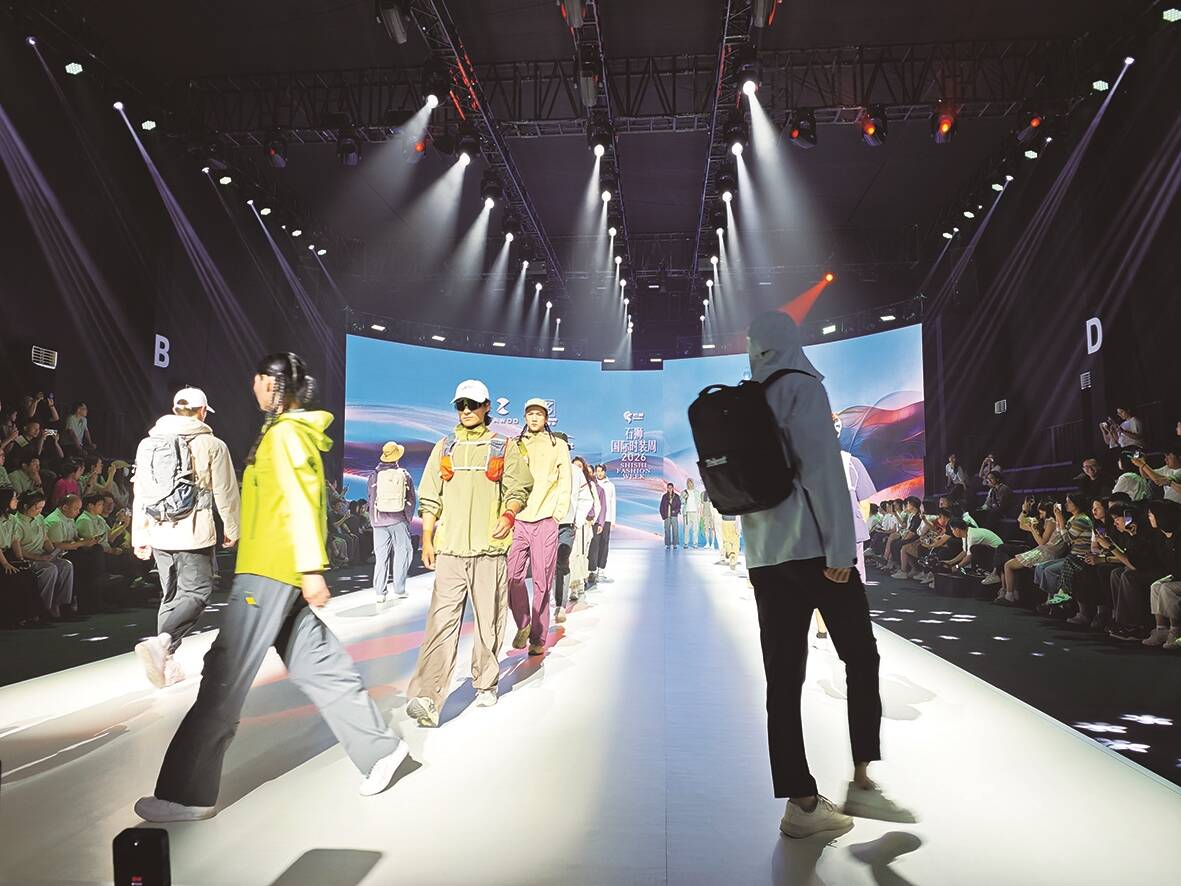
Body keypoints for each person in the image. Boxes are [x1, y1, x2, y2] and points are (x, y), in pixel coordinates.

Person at [135, 353, 410, 823]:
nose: (254, 386)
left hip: (267, 572)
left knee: (223, 678)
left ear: (273, 383)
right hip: (276, 569)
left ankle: (187, 793)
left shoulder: (285, 435)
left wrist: (311, 567)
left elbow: (302, 500)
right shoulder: (289, 432)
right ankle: (380, 748)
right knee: (320, 664)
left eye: (259, 379)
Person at [742, 311, 910, 840]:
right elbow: (823, 472)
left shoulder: (748, 397)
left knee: (782, 681)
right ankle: (861, 778)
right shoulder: (801, 386)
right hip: (817, 553)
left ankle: (801, 804)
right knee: (860, 657)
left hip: (767, 559)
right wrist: (841, 548)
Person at [404, 379, 531, 727]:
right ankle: (428, 697)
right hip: (450, 549)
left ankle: (486, 681)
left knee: (489, 621)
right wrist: (427, 538)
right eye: (461, 405)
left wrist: (509, 515)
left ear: (487, 407)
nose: (466, 410)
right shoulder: (444, 447)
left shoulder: (503, 447)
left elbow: (519, 488)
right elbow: (430, 496)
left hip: (489, 549)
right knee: (440, 623)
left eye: (473, 404)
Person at [131, 387, 241, 689]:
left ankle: (165, 663)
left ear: (174, 409)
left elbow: (140, 492)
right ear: (202, 411)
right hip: (194, 531)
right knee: (197, 592)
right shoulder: (213, 445)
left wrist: (140, 534)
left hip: (159, 530)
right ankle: (163, 642)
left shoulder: (149, 443)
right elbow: (226, 492)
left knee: (170, 596)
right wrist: (232, 528)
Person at [507, 399, 571, 655]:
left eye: (539, 414)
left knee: (542, 581)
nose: (534, 418)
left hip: (545, 519)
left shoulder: (558, 445)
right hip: (520, 519)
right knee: (513, 576)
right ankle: (523, 623)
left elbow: (565, 481)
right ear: (525, 417)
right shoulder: (515, 444)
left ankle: (538, 638)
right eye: (530, 414)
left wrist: (557, 514)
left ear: (546, 418)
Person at [11, 490, 75, 619]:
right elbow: (18, 549)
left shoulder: (39, 518)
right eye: (37, 508)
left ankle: (60, 604)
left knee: (66, 565)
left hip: (42, 555)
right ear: (25, 506)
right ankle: (43, 608)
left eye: (42, 508)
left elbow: (45, 539)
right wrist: (39, 558)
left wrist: (54, 553)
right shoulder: (16, 522)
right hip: (29, 558)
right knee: (49, 569)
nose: (39, 511)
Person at [367, 441, 417, 603]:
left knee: (381, 557)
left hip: (378, 521)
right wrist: (407, 518)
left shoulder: (373, 475)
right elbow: (411, 499)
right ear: (397, 457)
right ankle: (399, 589)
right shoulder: (404, 474)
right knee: (403, 552)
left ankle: (380, 593)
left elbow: (370, 497)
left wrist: (373, 519)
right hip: (398, 519)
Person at [0, 488, 44, 627]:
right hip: (1, 557)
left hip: (8, 553)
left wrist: (20, 559)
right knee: (15, 578)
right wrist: (5, 564)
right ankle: (16, 618)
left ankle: (34, 616)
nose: (16, 501)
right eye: (14, 498)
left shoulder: (12, 519)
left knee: (29, 575)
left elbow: (15, 541)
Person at [1142, 501, 1181, 649]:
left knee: (1167, 588)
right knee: (1156, 586)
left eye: (1151, 515)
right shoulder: (1160, 536)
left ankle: (1176, 631)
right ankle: (1161, 629)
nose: (1149, 518)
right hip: (1176, 575)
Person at [568, 456, 601, 600]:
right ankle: (573, 587)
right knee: (572, 555)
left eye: (580, 466)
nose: (577, 469)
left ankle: (581, 581)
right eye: (574, 466)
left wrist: (592, 520)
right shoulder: (567, 482)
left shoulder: (590, 484)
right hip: (569, 525)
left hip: (584, 526)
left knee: (583, 554)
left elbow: (596, 504)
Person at [593, 464, 617, 581]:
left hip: (606, 519)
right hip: (595, 519)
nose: (599, 473)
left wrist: (613, 520)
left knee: (604, 543)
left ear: (605, 472)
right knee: (594, 543)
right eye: (597, 471)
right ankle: (592, 569)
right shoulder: (593, 484)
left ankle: (601, 569)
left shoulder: (610, 486)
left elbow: (613, 503)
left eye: (601, 471)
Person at [660, 482, 681, 549]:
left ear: (673, 488)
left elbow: (679, 506)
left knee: (675, 530)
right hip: (667, 516)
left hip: (674, 516)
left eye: (671, 488)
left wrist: (675, 511)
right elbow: (661, 507)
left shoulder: (676, 496)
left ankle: (675, 544)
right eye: (668, 488)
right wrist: (663, 516)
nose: (669, 489)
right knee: (667, 530)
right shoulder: (664, 496)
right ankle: (668, 544)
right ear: (667, 488)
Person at [682, 478, 702, 548]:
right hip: (687, 513)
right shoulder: (684, 492)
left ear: (692, 484)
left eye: (691, 483)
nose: (689, 484)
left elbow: (699, 502)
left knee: (695, 529)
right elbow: (681, 501)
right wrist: (684, 497)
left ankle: (695, 543)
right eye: (688, 483)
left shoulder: (696, 492)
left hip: (695, 513)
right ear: (687, 484)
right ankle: (686, 543)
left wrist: (699, 511)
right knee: (686, 529)